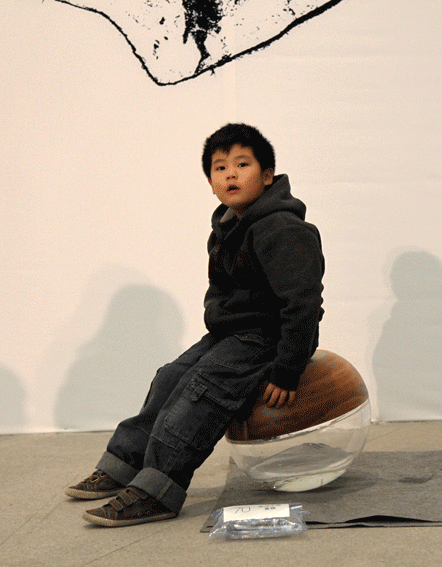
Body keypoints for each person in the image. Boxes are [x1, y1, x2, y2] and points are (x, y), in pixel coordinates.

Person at [65, 123, 324, 527]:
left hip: (269, 337)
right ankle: (125, 463)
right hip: (230, 334)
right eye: (220, 168)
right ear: (210, 183)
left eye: (243, 164)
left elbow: (303, 305)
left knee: (202, 389)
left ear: (268, 175)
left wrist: (288, 369)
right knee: (170, 377)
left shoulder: (284, 229)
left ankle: (158, 490)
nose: (231, 174)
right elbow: (222, 294)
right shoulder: (226, 228)